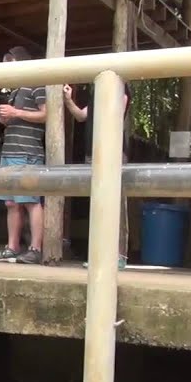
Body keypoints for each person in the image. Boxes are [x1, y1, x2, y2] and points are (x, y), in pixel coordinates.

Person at [0, 46, 46, 265]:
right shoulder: (12, 92)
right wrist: (5, 119)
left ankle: (36, 249)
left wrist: (15, 113)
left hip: (27, 151)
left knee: (30, 200)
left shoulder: (37, 85)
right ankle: (12, 247)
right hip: (9, 151)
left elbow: (46, 114)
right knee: (10, 202)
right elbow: (15, 118)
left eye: (9, 64)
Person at [63, 81, 131, 269]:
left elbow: (118, 109)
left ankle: (117, 256)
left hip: (112, 152)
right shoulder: (96, 96)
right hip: (93, 153)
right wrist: (68, 100)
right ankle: (99, 255)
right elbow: (81, 116)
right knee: (97, 205)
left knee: (113, 205)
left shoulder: (120, 88)